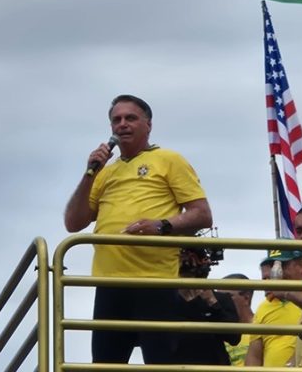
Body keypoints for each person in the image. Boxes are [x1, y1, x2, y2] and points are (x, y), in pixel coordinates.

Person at [63, 94, 213, 364]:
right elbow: (73, 223)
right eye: (116, 120)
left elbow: (202, 215)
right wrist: (89, 174)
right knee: (106, 365)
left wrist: (162, 225)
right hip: (109, 283)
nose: (122, 124)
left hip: (153, 282)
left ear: (148, 124)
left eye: (130, 118)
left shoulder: (170, 160)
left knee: (159, 364)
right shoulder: (105, 173)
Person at [171, 247, 239, 365]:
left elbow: (234, 338)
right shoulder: (166, 301)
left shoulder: (220, 299)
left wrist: (212, 303)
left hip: (212, 364)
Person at [244, 250, 302, 367]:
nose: (277, 272)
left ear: (301, 266)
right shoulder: (264, 307)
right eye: (273, 266)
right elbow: (254, 355)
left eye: (283, 265)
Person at [221, 273, 254, 366]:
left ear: (246, 297)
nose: (221, 301)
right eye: (218, 296)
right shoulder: (217, 330)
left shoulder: (265, 328)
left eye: (227, 296)